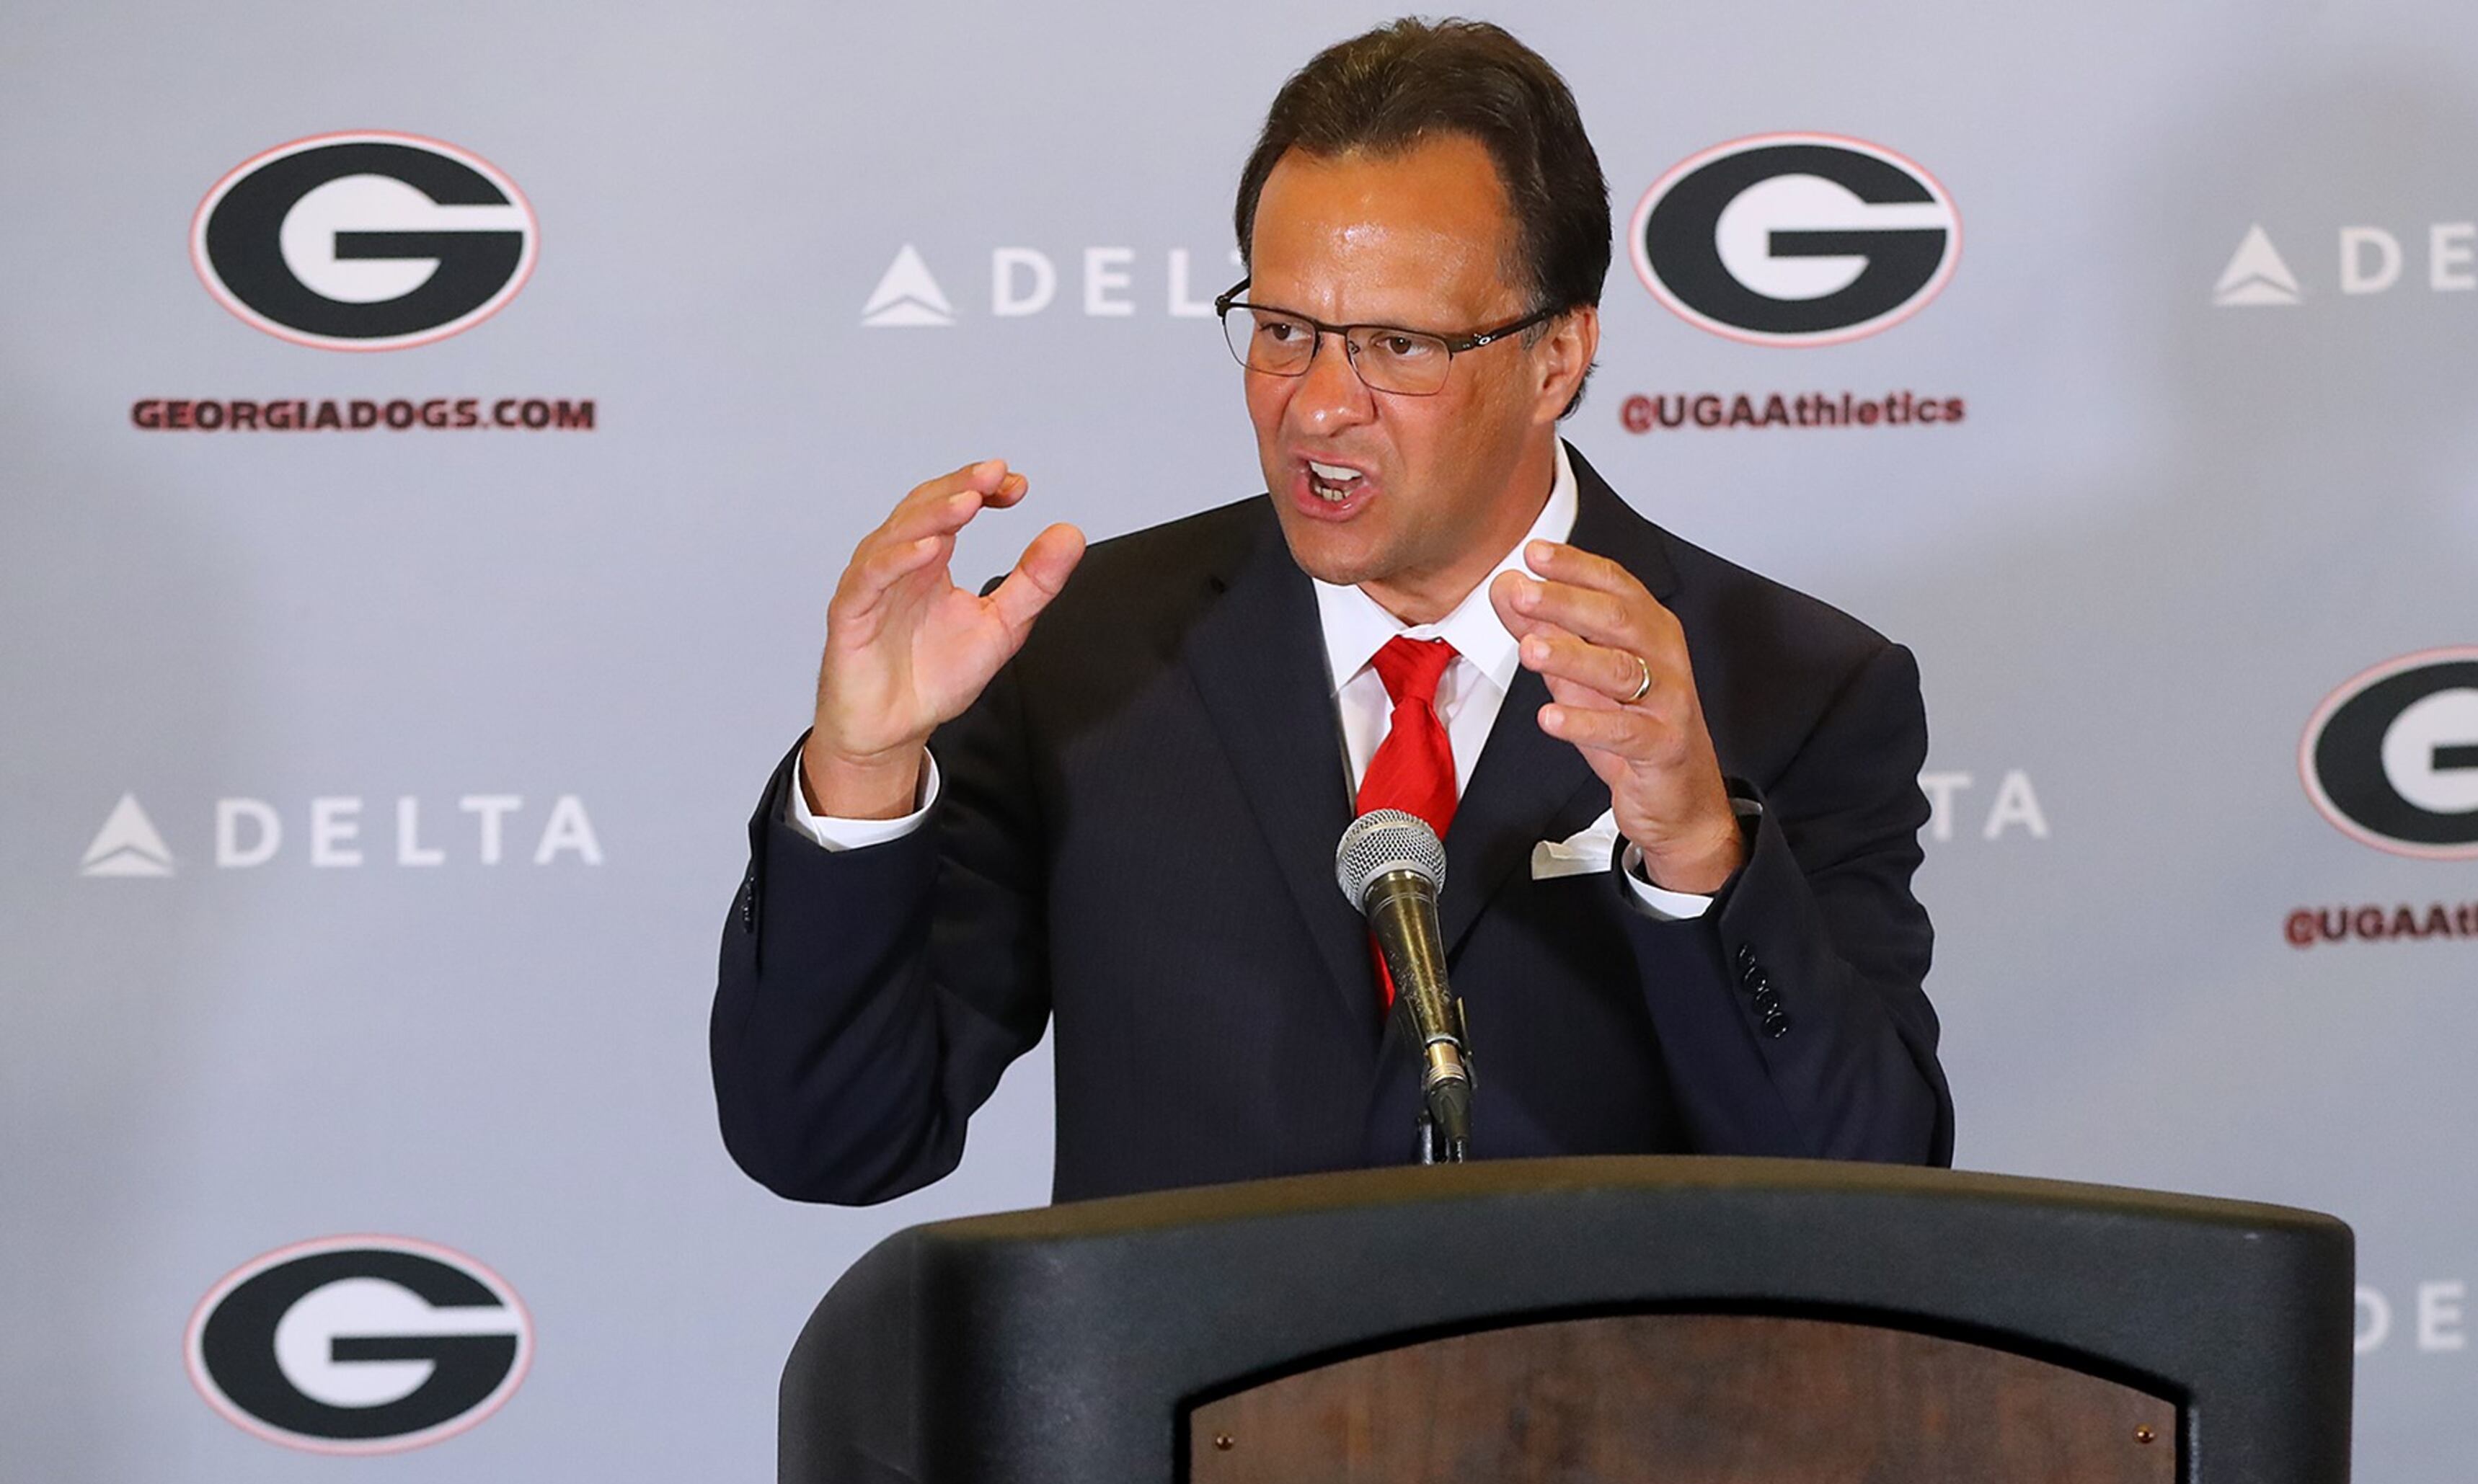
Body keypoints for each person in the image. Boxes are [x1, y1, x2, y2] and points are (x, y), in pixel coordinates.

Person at [710, 18, 1949, 1205]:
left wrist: (1694, 853)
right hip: (1182, 1421)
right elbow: (830, 1139)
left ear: (1556, 358)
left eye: (1398, 345)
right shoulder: (1087, 656)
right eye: (1286, 330)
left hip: (1596, 1418)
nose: (1315, 406)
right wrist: (864, 773)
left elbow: (1860, 1190)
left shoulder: (1788, 685)